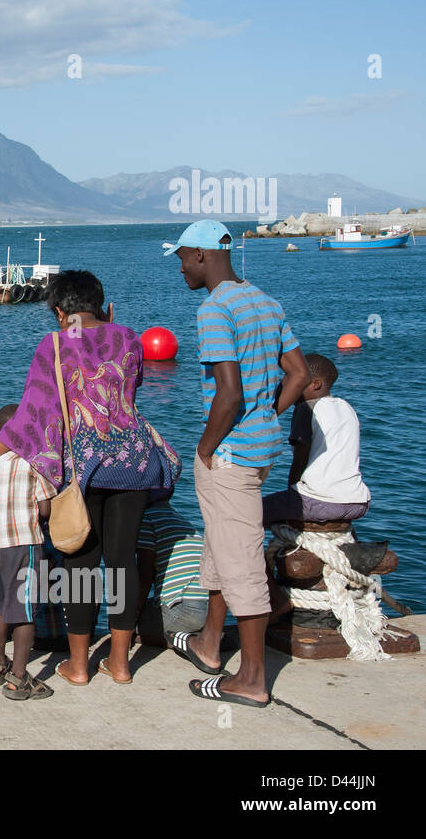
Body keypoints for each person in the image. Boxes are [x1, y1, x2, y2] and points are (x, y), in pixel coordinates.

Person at [0, 270, 181, 685]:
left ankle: (79, 665)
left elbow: (34, 413)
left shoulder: (53, 344)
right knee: (122, 561)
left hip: (82, 467)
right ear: (104, 306)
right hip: (134, 461)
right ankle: (121, 664)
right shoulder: (129, 338)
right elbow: (128, 392)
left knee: (80, 565)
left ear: (58, 311)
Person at [166, 219, 308, 708]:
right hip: (260, 451)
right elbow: (300, 373)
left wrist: (207, 447)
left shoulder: (214, 310)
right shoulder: (266, 302)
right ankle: (209, 643)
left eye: (183, 257)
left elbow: (229, 392)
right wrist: (268, 416)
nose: (181, 267)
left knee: (242, 561)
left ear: (203, 255)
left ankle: (250, 679)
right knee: (222, 544)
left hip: (228, 455)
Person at [0, 403, 55, 699]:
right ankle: (18, 678)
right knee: (24, 611)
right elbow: (45, 507)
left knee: (0, 605)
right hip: (26, 543)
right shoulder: (36, 463)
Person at [262, 353, 370, 526]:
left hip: (321, 501)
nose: (284, 384)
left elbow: (300, 459)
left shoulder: (307, 409)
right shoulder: (346, 407)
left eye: (291, 379)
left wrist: (292, 496)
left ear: (315, 384)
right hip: (357, 501)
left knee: (251, 514)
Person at [135, 499, 210, 645]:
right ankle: (193, 634)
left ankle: (172, 640)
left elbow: (144, 576)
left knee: (120, 622)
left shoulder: (146, 518)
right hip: (208, 611)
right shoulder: (179, 520)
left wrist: (132, 618)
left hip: (182, 608)